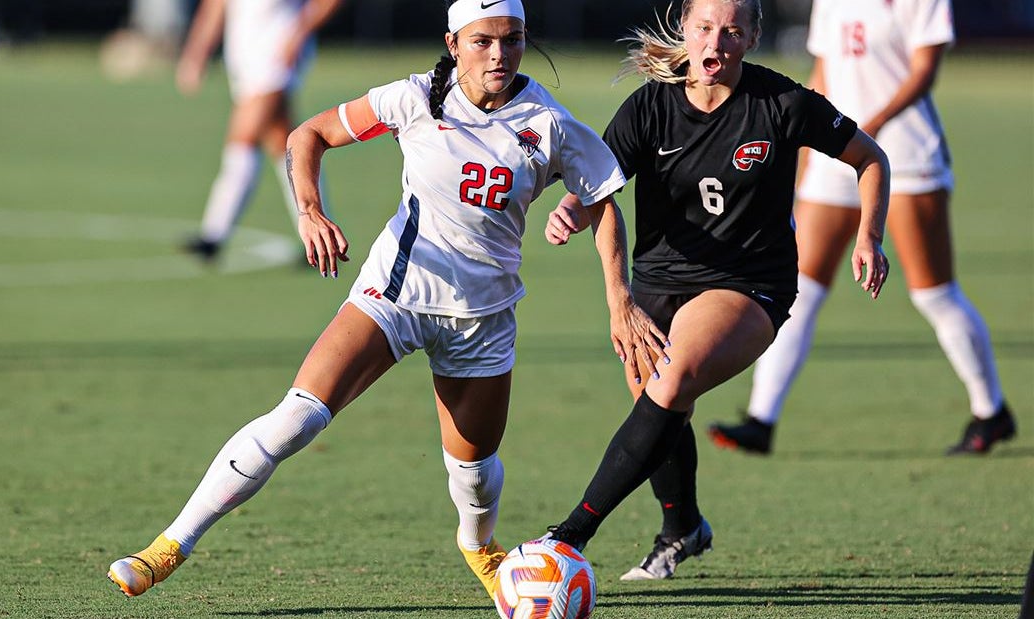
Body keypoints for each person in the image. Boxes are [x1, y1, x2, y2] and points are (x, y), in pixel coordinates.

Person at [107, 0, 632, 600]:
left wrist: (619, 299)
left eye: (511, 40)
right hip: (396, 294)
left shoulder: (550, 121)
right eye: (483, 40)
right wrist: (309, 211)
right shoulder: (413, 98)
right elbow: (311, 134)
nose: (499, 54)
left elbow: (603, 201)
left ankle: (480, 548)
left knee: (475, 473)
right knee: (296, 419)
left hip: (483, 317)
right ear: (453, 42)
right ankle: (170, 544)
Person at [539, 0, 890, 581]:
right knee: (657, 409)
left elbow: (869, 158)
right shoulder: (649, 107)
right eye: (705, 28)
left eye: (732, 31)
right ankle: (684, 529)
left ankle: (569, 535)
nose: (717, 43)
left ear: (752, 36)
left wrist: (868, 236)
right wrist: (569, 212)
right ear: (686, 30)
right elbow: (595, 184)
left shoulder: (781, 103)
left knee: (669, 379)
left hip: (750, 282)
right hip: (657, 282)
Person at [708, 0, 1016, 457]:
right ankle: (760, 419)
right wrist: (803, 147)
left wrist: (867, 130)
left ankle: (990, 411)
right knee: (800, 288)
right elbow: (824, 73)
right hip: (835, 156)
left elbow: (924, 70)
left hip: (906, 155)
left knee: (933, 293)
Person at [176, 0, 344, 263]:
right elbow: (215, 6)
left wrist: (300, 32)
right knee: (284, 145)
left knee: (243, 139)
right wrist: (197, 52)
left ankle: (214, 235)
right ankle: (322, 237)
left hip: (277, 59)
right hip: (245, 62)